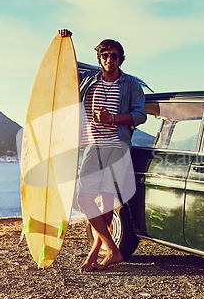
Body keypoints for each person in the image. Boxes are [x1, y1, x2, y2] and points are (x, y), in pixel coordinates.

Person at [58, 29, 147, 272]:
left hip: (116, 147)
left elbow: (140, 116)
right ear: (99, 58)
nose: (110, 59)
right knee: (84, 198)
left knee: (107, 203)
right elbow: (64, 68)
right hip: (93, 147)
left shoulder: (130, 84)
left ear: (121, 59)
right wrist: (64, 39)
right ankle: (113, 250)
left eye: (115, 56)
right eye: (105, 55)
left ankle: (95, 254)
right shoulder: (90, 81)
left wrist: (113, 118)